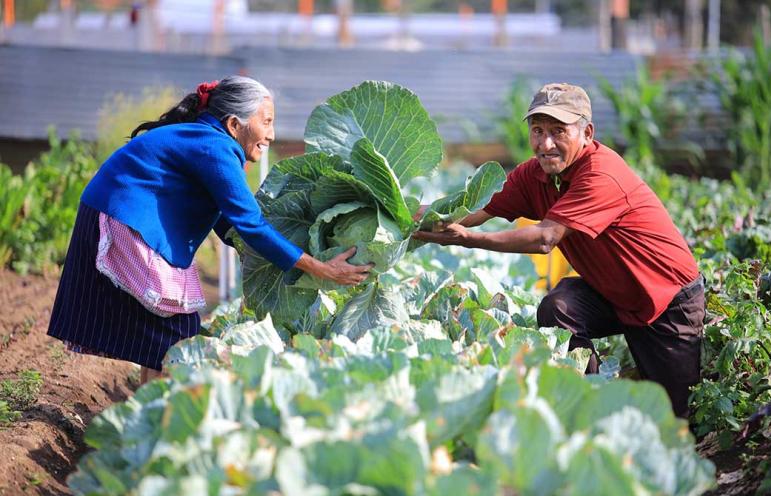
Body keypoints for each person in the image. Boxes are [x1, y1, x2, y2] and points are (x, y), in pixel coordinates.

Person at [47, 76, 372, 385]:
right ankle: (161, 413)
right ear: (234, 124)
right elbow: (250, 224)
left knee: (166, 337)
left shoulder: (206, 142)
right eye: (267, 121)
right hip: (125, 220)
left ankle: (152, 404)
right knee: (177, 335)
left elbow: (227, 224)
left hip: (120, 214)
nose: (272, 135)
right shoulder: (214, 149)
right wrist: (320, 268)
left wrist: (279, 255)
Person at [413, 83, 704, 418]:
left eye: (558, 131)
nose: (545, 143)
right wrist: (405, 215)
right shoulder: (533, 175)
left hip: (665, 300)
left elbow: (544, 239)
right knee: (558, 308)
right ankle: (589, 404)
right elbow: (470, 209)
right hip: (613, 293)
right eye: (537, 131)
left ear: (586, 132)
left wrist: (468, 239)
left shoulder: (601, 173)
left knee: (679, 421)